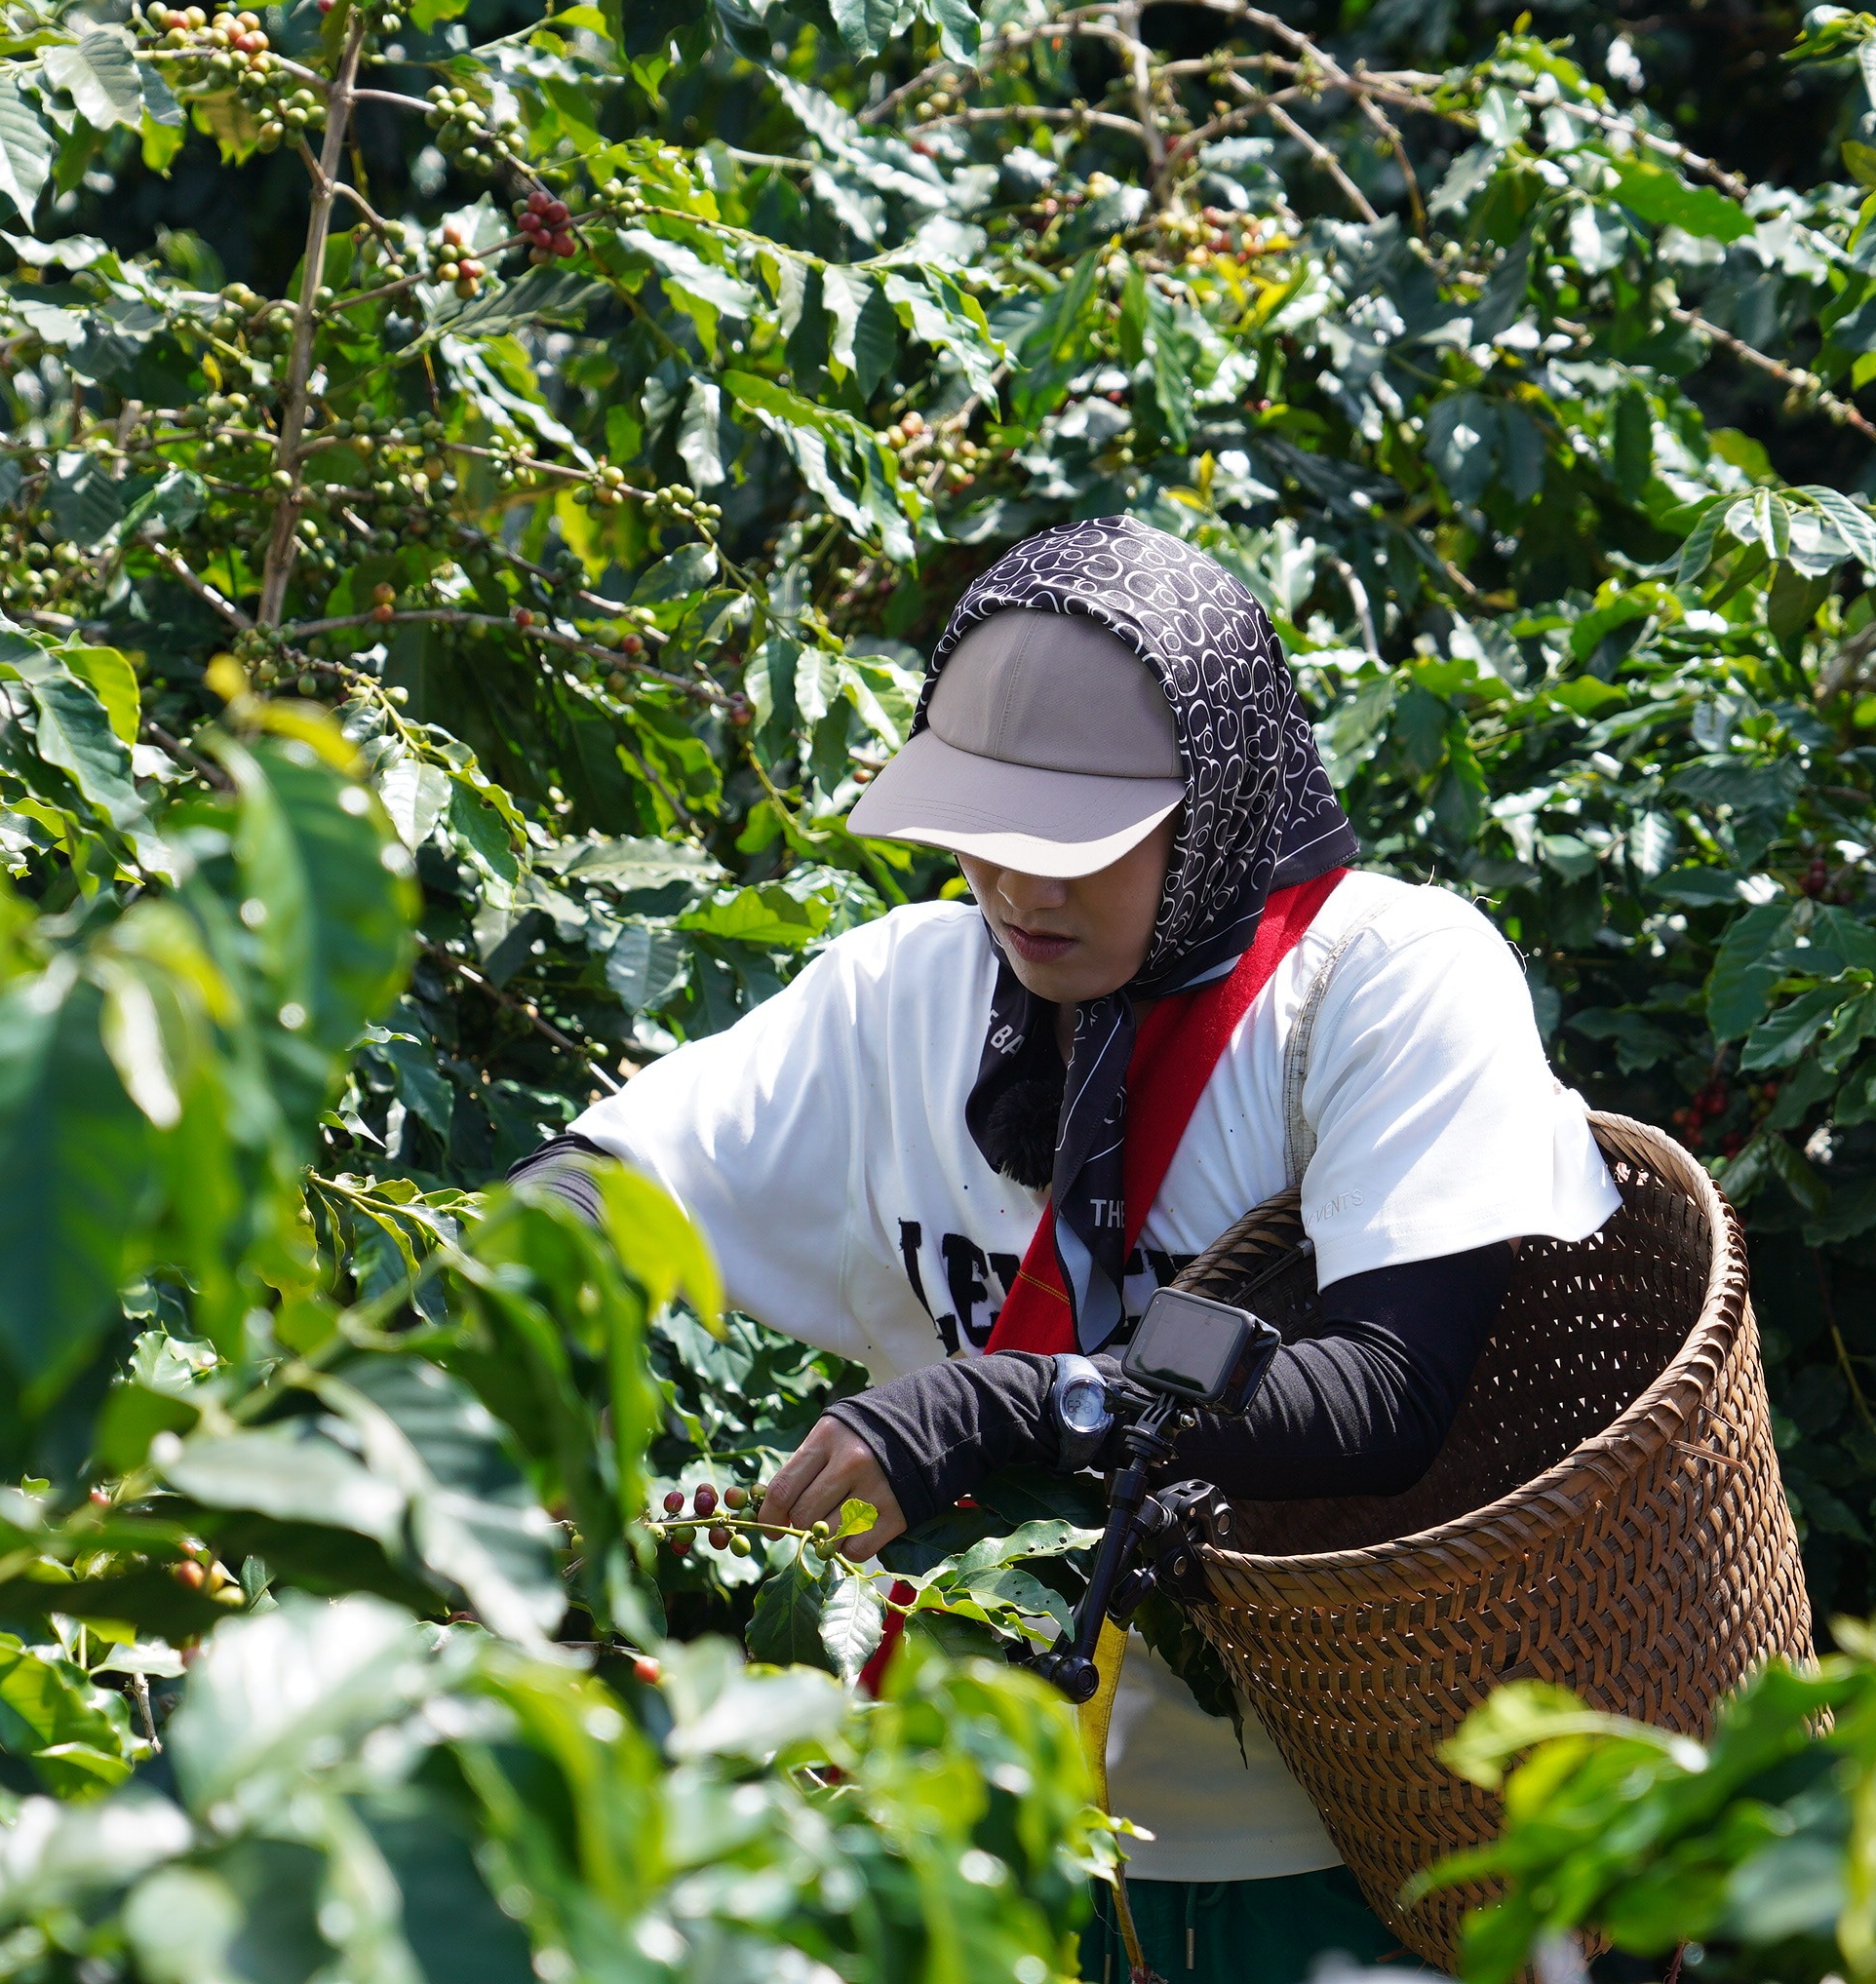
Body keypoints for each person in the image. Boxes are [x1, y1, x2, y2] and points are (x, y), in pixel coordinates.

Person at [516, 517, 1619, 1980]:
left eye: (1079, 848)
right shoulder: (904, 992)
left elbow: (1382, 1390)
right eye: (986, 835)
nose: (1020, 890)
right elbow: (619, 1177)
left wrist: (1002, 1400)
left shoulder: (1380, 984)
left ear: (1217, 801)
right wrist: (476, 1302)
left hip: (1326, 1848)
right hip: (977, 1832)